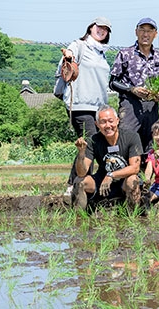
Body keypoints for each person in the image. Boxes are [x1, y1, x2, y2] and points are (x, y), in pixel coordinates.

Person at [55, 16, 112, 200]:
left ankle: (87, 182)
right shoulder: (80, 45)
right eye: (99, 27)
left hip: (98, 107)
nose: (101, 30)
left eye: (105, 29)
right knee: (89, 143)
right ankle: (74, 184)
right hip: (80, 104)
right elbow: (69, 53)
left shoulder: (101, 53)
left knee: (95, 145)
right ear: (90, 28)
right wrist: (69, 56)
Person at [109, 17, 159, 153]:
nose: (145, 34)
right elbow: (113, 83)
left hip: (151, 107)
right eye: (142, 30)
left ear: (155, 34)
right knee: (125, 140)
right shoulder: (125, 54)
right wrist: (132, 90)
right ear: (136, 32)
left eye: (149, 31)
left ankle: (144, 173)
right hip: (130, 104)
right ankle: (122, 172)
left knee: (150, 144)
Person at [70, 106, 143, 210]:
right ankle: (78, 217)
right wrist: (81, 153)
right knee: (79, 181)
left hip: (124, 180)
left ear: (117, 121)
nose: (108, 126)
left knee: (133, 179)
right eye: (103, 122)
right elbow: (82, 173)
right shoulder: (93, 141)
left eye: (110, 121)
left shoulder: (131, 137)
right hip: (101, 181)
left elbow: (135, 168)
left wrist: (111, 175)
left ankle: (133, 216)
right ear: (97, 124)